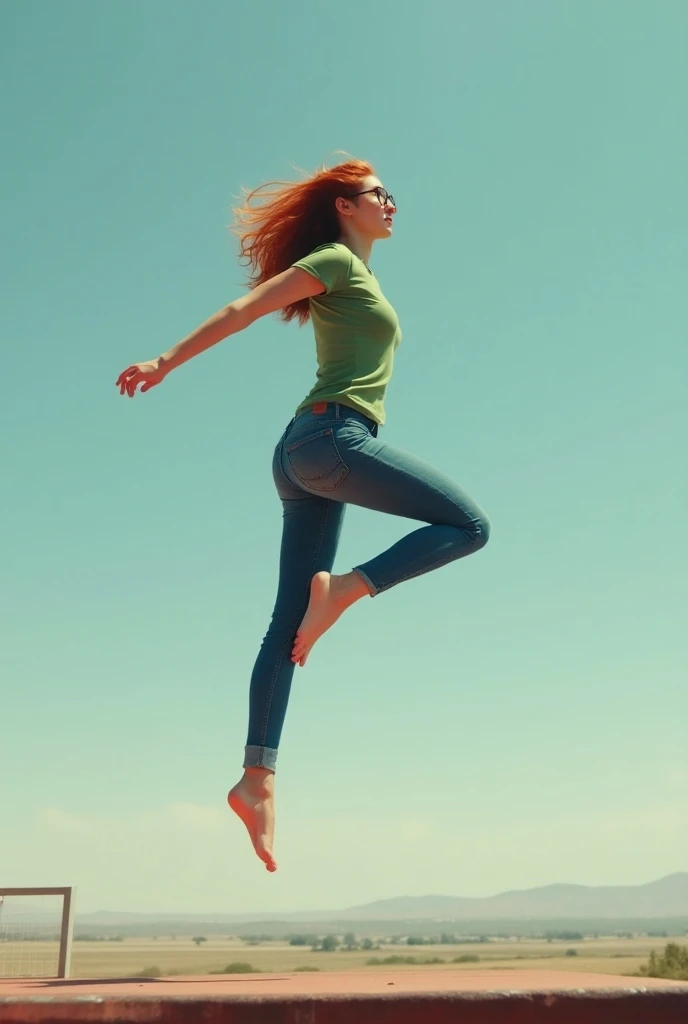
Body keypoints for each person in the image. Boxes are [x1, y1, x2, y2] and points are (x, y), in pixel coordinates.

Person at [116, 157, 490, 873]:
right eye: (381, 194)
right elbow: (245, 309)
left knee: (289, 623)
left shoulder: (360, 275)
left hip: (307, 455)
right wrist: (165, 361)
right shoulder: (334, 263)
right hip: (330, 440)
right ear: (346, 207)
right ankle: (348, 589)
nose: (393, 204)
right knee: (468, 527)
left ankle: (256, 780)